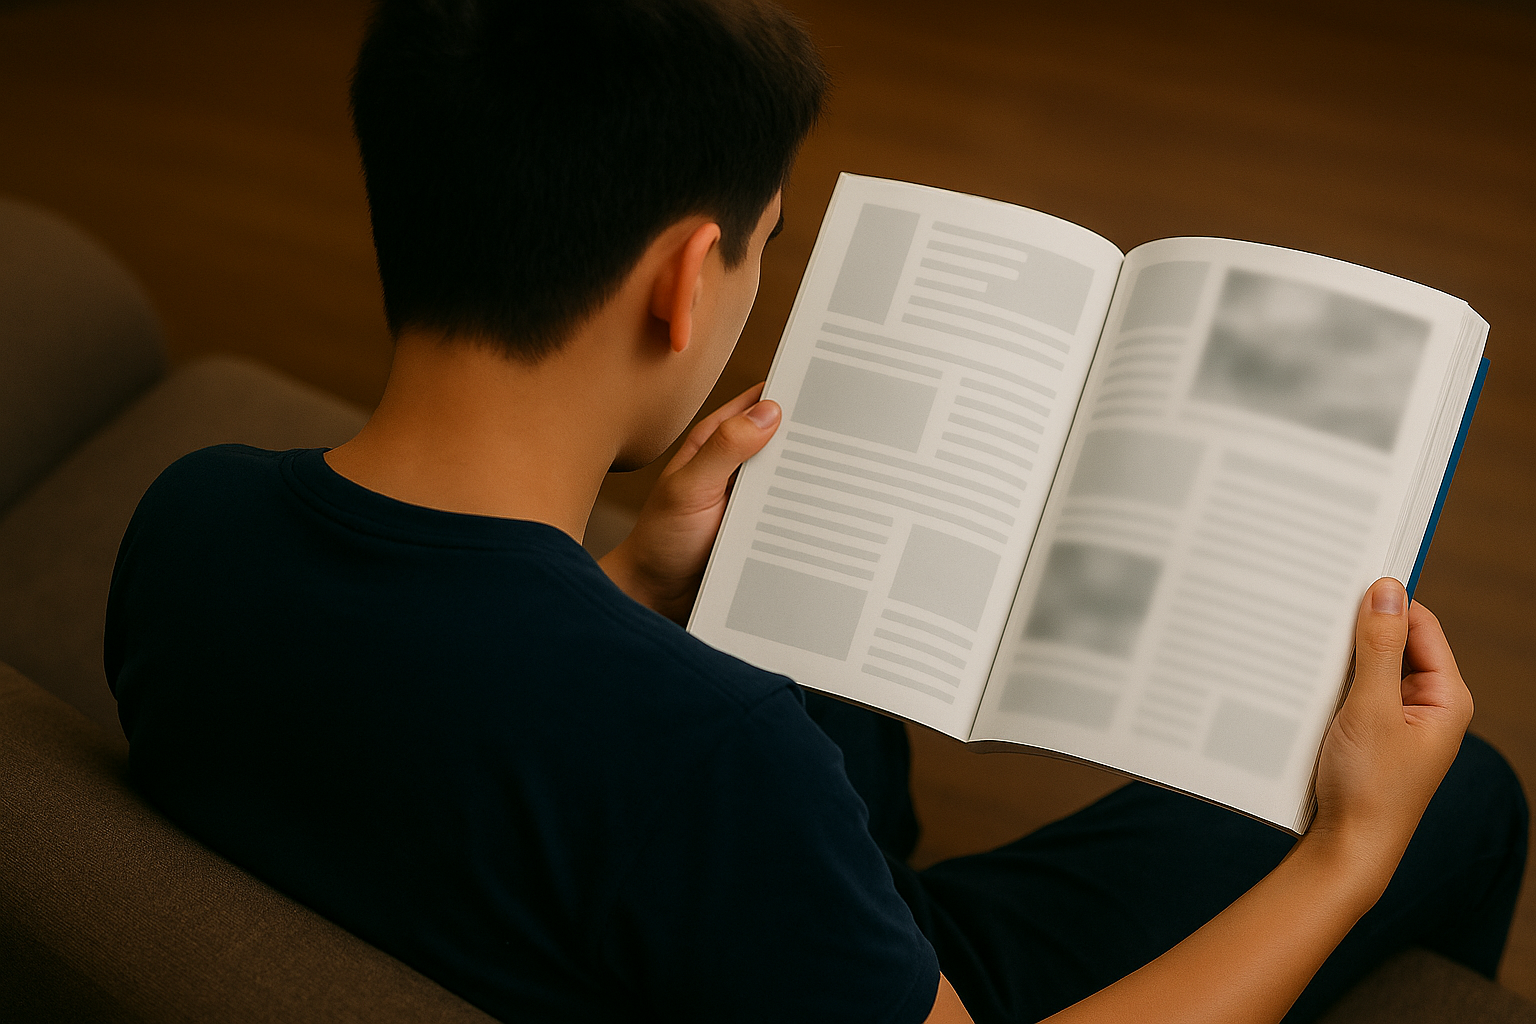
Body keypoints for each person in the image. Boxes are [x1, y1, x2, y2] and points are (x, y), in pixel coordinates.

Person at [104, 1, 1526, 1021]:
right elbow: (619, 755)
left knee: (770, 601)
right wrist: (1350, 851)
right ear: (682, 278)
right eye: (760, 256)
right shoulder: (711, 755)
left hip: (608, 917)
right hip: (828, 954)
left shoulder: (186, 527)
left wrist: (627, 583)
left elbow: (455, 713)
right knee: (1457, 794)